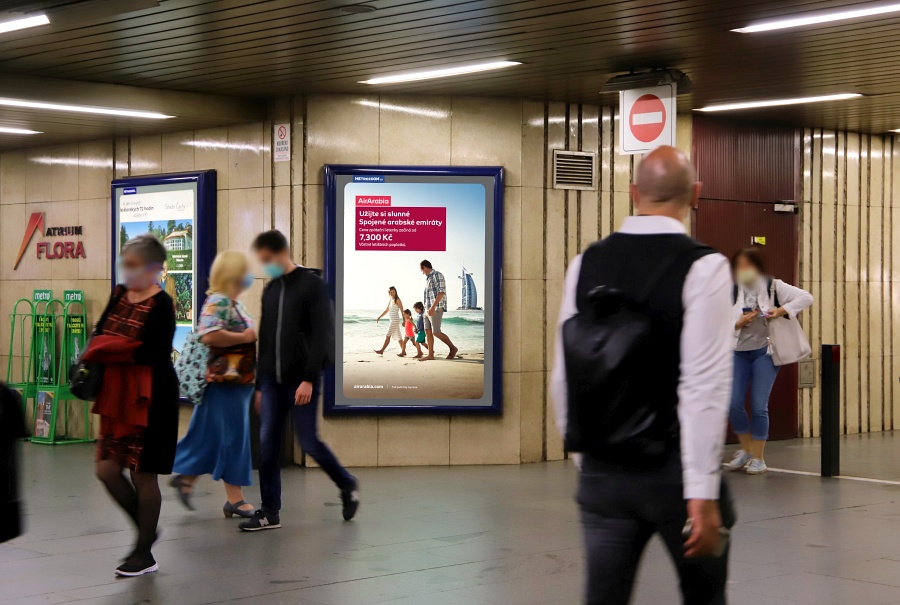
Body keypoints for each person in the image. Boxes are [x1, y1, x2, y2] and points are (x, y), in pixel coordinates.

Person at [551, 146, 734, 604]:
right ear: (696, 194)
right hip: (674, 474)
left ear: (634, 192)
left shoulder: (585, 264)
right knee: (704, 596)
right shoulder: (704, 266)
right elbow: (703, 387)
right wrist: (703, 491)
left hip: (604, 474)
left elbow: (564, 373)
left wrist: (586, 458)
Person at [240, 230, 359, 531]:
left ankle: (346, 483)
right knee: (268, 443)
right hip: (271, 381)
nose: (266, 265)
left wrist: (309, 379)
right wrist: (259, 386)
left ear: (282, 253)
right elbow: (265, 339)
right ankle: (270, 511)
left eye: (268, 259)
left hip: (301, 381)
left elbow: (320, 335)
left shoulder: (312, 285)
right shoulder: (271, 290)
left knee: (308, 442)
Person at [88, 234, 178, 577]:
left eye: (133, 265)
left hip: (150, 397)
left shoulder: (161, 304)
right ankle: (146, 530)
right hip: (117, 395)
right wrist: (112, 346)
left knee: (143, 474)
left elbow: (154, 352)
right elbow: (100, 332)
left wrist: (113, 347)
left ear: (153, 268)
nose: (126, 271)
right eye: (124, 264)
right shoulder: (119, 294)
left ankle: (143, 553)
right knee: (107, 470)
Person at [169, 251, 258, 517]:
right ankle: (235, 499)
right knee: (233, 439)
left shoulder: (231, 302)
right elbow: (209, 336)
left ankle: (186, 478)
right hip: (225, 385)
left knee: (209, 436)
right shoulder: (218, 301)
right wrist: (244, 336)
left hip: (235, 384)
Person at [724, 248, 813, 475]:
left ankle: (759, 458)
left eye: (747, 265)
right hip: (738, 352)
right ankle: (746, 449)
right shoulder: (731, 289)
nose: (743, 269)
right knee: (733, 404)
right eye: (739, 265)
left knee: (758, 405)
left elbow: (806, 297)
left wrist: (781, 310)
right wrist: (738, 323)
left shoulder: (773, 286)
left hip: (765, 351)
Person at [418, 260, 458, 361]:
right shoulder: (428, 279)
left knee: (436, 332)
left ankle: (453, 348)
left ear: (424, 267)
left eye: (421, 270)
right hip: (427, 309)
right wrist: (425, 310)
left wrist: (433, 307)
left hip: (435, 308)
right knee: (428, 331)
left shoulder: (437, 275)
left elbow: (441, 292)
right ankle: (430, 355)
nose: (422, 272)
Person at [374, 287, 406, 357]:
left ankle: (382, 350)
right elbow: (386, 310)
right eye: (391, 292)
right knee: (399, 337)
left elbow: (402, 310)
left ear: (396, 292)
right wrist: (380, 317)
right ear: (389, 293)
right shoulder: (391, 300)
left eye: (393, 292)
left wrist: (404, 320)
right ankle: (403, 351)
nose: (392, 293)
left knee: (388, 335)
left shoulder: (397, 299)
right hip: (392, 320)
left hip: (395, 320)